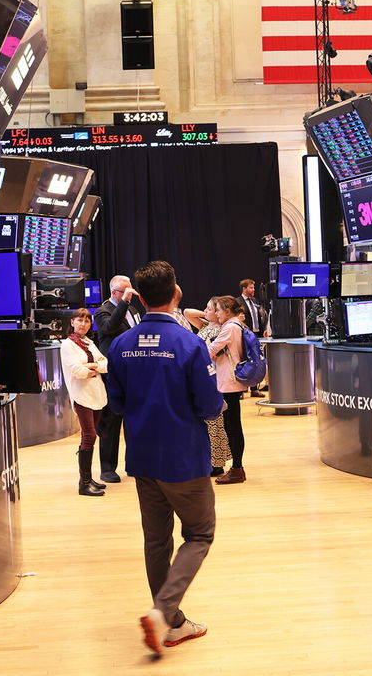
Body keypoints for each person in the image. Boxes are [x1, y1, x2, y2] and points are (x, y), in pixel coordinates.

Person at [105, 261, 222, 657]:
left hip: (141, 456)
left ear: (139, 296)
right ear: (176, 294)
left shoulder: (120, 345)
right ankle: (163, 613)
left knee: (156, 541)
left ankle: (171, 624)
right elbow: (209, 406)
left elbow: (115, 404)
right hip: (183, 459)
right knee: (200, 534)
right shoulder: (190, 345)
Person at [94, 274, 145, 482]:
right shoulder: (102, 311)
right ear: (115, 292)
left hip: (133, 371)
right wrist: (124, 302)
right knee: (111, 420)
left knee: (134, 420)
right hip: (113, 372)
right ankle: (107, 468)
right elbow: (110, 327)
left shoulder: (133, 310)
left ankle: (134, 463)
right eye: (126, 291)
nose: (131, 294)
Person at [59, 308, 109, 497]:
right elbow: (78, 371)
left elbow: (106, 365)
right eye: (80, 320)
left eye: (87, 321)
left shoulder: (89, 343)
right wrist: (93, 367)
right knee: (89, 436)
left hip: (96, 394)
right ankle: (84, 483)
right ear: (72, 322)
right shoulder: (67, 345)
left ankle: (87, 477)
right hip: (81, 396)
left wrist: (93, 366)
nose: (83, 324)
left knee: (91, 436)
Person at [207, 295, 250, 484]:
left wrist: (207, 342)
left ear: (227, 311)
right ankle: (236, 468)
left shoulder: (231, 327)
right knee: (231, 425)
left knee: (233, 426)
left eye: (218, 310)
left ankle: (237, 469)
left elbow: (210, 351)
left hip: (229, 382)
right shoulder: (236, 326)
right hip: (231, 381)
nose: (216, 314)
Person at [193, 298, 231, 477]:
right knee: (208, 423)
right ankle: (210, 460)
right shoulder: (205, 328)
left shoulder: (220, 331)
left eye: (209, 309)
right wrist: (208, 315)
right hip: (203, 378)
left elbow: (213, 356)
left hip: (213, 379)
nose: (205, 310)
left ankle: (217, 463)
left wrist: (214, 317)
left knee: (215, 423)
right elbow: (187, 313)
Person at [238, 279, 268, 398]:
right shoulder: (238, 302)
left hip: (256, 334)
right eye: (251, 288)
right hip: (245, 334)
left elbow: (260, 316)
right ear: (244, 289)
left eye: (253, 287)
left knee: (256, 360)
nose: (253, 290)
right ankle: (240, 390)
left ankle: (254, 389)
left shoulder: (255, 301)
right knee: (244, 360)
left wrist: (264, 329)